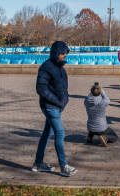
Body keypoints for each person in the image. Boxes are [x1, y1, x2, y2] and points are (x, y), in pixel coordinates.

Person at [32, 40, 76, 177]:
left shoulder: (60, 67)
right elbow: (41, 88)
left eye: (66, 53)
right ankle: (64, 166)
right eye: (63, 53)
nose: (65, 55)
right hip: (50, 107)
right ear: (57, 52)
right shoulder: (46, 67)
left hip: (57, 107)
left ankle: (38, 164)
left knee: (46, 134)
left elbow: (63, 86)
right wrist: (57, 101)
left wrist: (65, 98)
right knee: (60, 133)